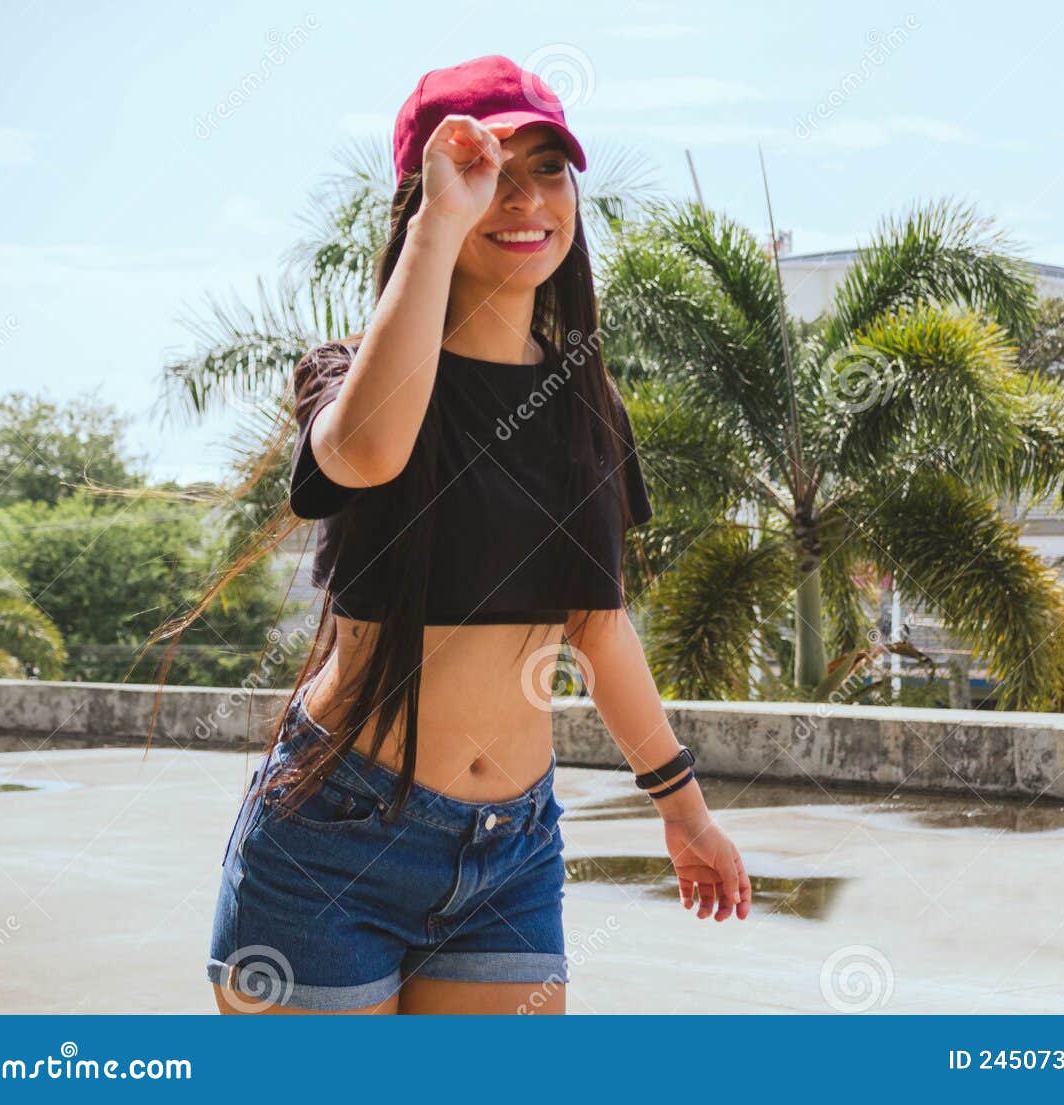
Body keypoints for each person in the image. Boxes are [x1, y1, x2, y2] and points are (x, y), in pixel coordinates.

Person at [202, 54, 750, 1016]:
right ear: (428, 197)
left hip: (512, 851)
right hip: (337, 830)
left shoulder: (588, 405)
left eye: (547, 168)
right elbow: (367, 453)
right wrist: (440, 224)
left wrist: (687, 812)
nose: (523, 196)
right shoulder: (348, 374)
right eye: (488, 170)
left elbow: (598, 626)